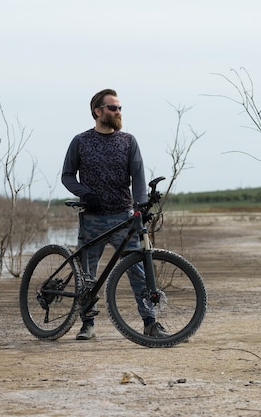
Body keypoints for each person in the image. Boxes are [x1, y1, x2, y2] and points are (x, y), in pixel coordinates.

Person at [61, 88, 168, 340]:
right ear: (97, 112)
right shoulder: (80, 141)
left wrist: (141, 206)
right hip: (92, 219)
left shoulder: (128, 141)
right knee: (87, 275)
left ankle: (150, 323)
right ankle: (87, 324)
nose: (118, 112)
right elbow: (67, 176)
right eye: (112, 108)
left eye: (120, 108)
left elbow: (138, 176)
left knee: (138, 271)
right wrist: (84, 193)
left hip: (124, 217)